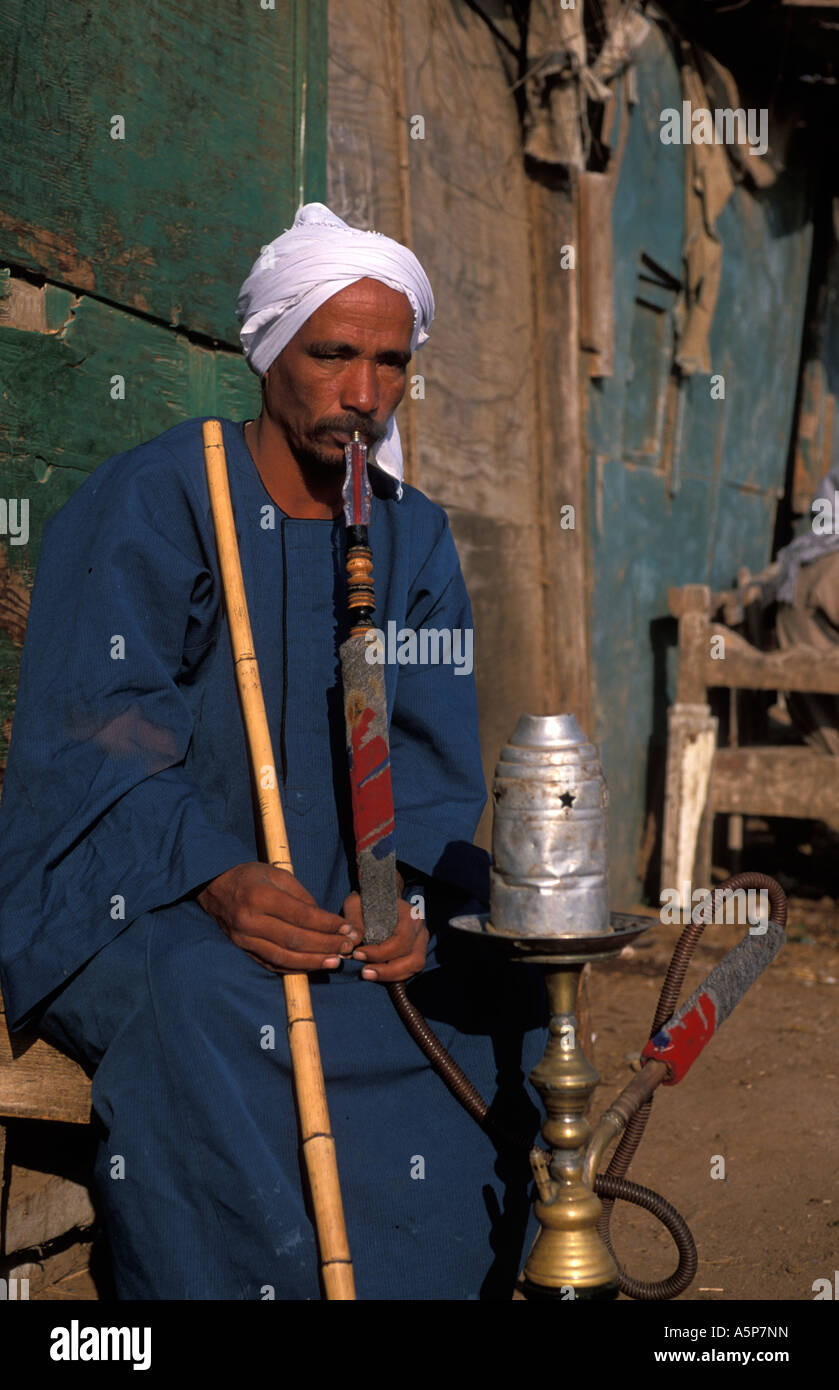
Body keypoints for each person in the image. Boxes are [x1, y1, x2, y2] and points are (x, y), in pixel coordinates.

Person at [0, 204, 545, 1300]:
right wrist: (216, 876)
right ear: (267, 354)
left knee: (505, 991)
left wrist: (408, 903)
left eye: (390, 362)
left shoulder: (413, 536)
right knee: (213, 1000)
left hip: (348, 910)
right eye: (330, 354)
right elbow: (97, 727)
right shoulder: (163, 497)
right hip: (145, 894)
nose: (362, 392)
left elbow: (434, 764)